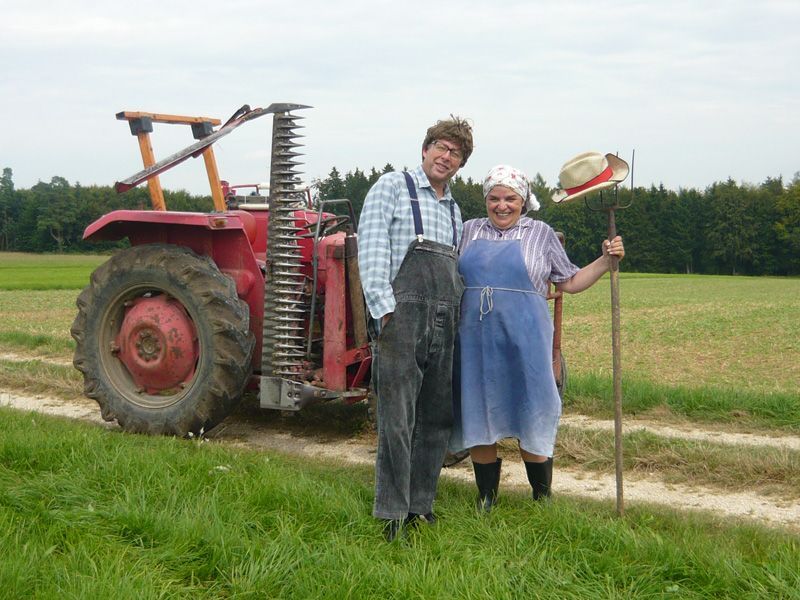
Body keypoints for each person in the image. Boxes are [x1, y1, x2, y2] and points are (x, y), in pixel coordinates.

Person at [452, 155, 627, 511]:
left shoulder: (541, 233)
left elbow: (570, 281)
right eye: (494, 198)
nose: (502, 205)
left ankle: (541, 498)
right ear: (486, 200)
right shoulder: (467, 230)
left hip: (527, 342)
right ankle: (486, 498)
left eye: (510, 198)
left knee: (532, 409)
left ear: (523, 200)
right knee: (479, 412)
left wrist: (606, 261)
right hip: (476, 341)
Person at [358, 116, 474, 540]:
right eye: (441, 147)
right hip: (402, 317)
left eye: (455, 153)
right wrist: (384, 313)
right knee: (398, 417)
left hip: (445, 319)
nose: (446, 156)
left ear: (460, 163)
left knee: (436, 417)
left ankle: (420, 505)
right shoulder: (392, 187)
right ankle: (392, 511)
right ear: (425, 149)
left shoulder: (454, 209)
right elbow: (371, 249)